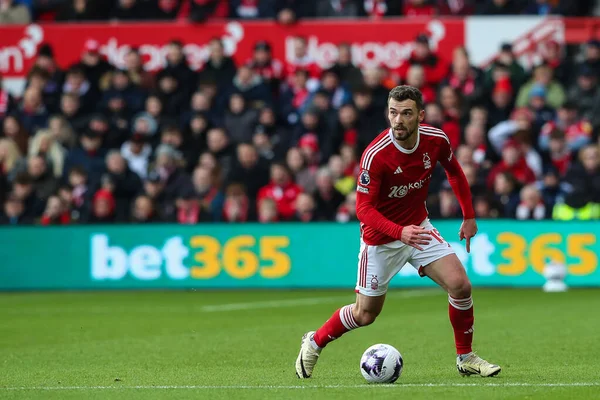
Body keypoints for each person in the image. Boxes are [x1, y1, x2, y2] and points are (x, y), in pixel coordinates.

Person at [295, 85, 501, 379]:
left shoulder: (435, 139)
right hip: (380, 240)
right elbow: (363, 210)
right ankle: (314, 342)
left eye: (406, 113)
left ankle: (465, 357)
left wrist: (469, 216)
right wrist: (398, 232)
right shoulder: (376, 156)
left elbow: (454, 171)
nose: (398, 120)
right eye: (393, 112)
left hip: (418, 229)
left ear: (420, 116)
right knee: (365, 314)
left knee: (460, 286)